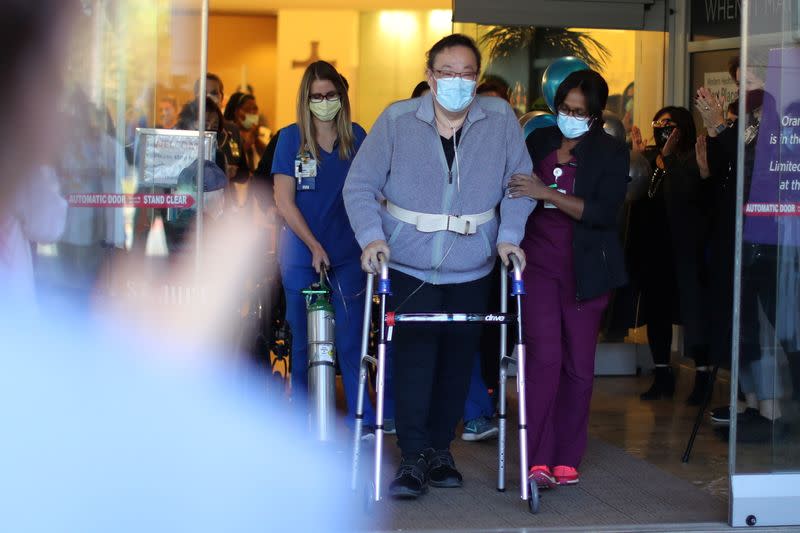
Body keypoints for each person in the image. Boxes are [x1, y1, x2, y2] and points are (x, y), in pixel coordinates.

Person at [344, 33, 532, 499]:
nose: (457, 82)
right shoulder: (398, 120)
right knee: (414, 360)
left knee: (455, 362)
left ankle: (440, 451)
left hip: (473, 264)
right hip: (408, 262)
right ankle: (411, 457)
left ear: (477, 78)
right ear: (429, 76)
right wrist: (371, 238)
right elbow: (359, 186)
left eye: (467, 74)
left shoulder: (499, 119)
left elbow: (520, 184)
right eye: (447, 73)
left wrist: (509, 238)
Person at [508, 69, 628, 488]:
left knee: (578, 365)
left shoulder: (611, 152)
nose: (570, 116)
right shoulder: (538, 140)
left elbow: (602, 213)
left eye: (579, 111)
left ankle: (566, 456)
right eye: (564, 108)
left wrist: (548, 194)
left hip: (586, 270)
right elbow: (512, 189)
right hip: (537, 264)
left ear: (595, 116)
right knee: (544, 360)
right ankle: (536, 457)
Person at [272, 60, 373, 427]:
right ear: (306, 99)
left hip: (348, 256)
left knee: (350, 342)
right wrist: (313, 245)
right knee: (302, 346)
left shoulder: (357, 137)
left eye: (331, 95)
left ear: (342, 97)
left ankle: (362, 421)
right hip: (301, 255)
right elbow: (283, 201)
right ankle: (301, 425)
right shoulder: (290, 139)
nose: (324, 101)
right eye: (317, 96)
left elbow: (372, 193)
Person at [630, 107, 710, 402]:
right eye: (658, 123)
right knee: (658, 312)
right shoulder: (653, 159)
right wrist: (643, 159)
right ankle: (662, 374)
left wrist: (670, 160)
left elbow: (694, 195)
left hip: (688, 248)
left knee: (693, 312)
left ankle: (702, 376)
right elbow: (646, 195)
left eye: (670, 124)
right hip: (657, 249)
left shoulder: (695, 156)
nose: (663, 128)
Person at [224, 92, 267, 172]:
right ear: (236, 112)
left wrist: (256, 138)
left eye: (255, 109)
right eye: (247, 109)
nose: (252, 113)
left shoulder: (262, 133)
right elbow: (234, 158)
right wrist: (248, 142)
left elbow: (268, 157)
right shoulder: (228, 135)